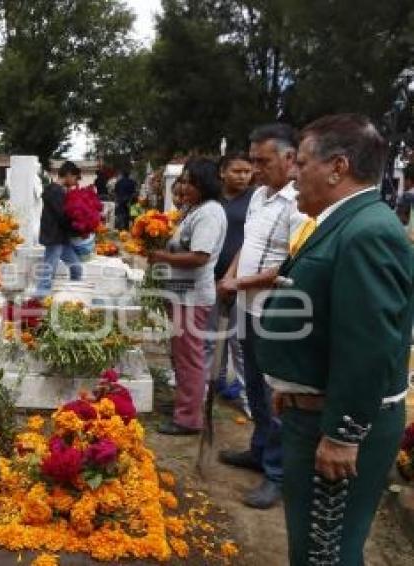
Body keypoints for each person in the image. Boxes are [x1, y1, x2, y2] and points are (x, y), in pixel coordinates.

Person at [257, 114, 413, 565]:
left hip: (340, 425)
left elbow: (370, 344)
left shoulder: (368, 231)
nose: (292, 174)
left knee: (325, 554)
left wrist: (343, 434)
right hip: (316, 410)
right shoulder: (346, 220)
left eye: (300, 163)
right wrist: (293, 386)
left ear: (337, 167)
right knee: (312, 549)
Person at [217, 123, 307, 509]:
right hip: (245, 307)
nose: (255, 168)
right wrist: (231, 274)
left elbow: (290, 265)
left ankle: (277, 473)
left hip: (274, 312)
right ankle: (258, 449)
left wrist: (241, 282)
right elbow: (248, 244)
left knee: (273, 394)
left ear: (290, 158)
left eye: (262, 161)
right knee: (253, 385)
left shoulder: (300, 204)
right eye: (252, 160)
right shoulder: (258, 196)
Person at [149, 158, 227, 435]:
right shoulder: (194, 209)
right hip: (180, 294)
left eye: (188, 181)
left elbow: (199, 257)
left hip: (191, 297)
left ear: (203, 184)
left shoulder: (210, 213)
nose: (183, 186)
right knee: (181, 355)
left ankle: (189, 419)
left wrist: (162, 256)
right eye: (182, 180)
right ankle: (187, 404)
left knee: (189, 358)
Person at [205, 153, 254, 408]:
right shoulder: (213, 198)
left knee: (238, 340)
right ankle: (212, 385)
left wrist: (233, 276)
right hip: (210, 275)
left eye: (247, 171)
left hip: (240, 279)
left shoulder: (254, 199)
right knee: (211, 337)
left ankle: (248, 399)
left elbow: (252, 239)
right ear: (222, 172)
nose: (244, 176)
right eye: (237, 171)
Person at [36, 161, 83, 296]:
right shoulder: (55, 191)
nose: (75, 182)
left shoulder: (59, 191)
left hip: (61, 238)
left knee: (76, 268)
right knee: (48, 272)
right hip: (54, 238)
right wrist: (77, 227)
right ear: (68, 175)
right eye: (75, 178)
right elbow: (62, 216)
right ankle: (39, 301)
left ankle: (75, 295)